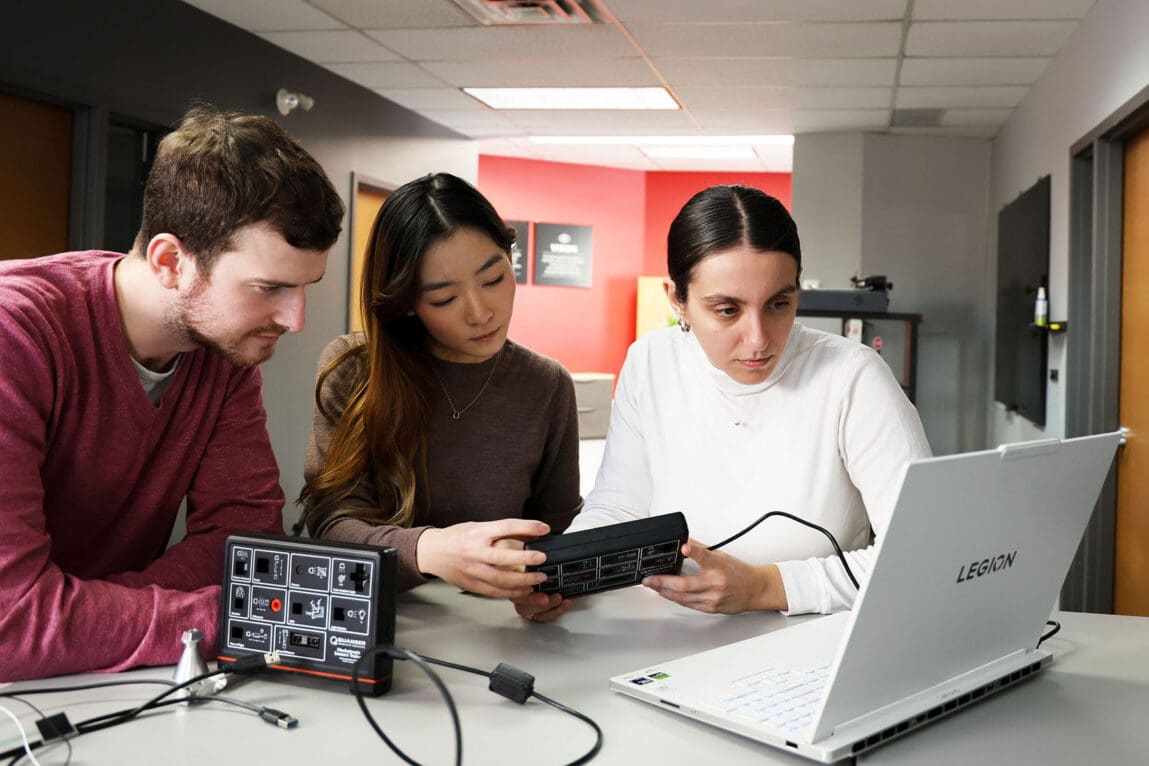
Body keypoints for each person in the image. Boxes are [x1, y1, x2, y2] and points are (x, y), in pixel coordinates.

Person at [0, 106, 345, 681]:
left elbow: (245, 540)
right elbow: (11, 622)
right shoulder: (16, 335)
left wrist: (75, 623)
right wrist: (231, 618)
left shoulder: (223, 353)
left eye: (305, 287)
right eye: (270, 288)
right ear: (169, 261)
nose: (296, 319)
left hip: (93, 681)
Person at [514, 184, 931, 622]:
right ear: (677, 300)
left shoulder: (854, 376)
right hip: (671, 636)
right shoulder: (650, 360)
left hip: (811, 642)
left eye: (779, 304)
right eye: (727, 310)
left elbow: (921, 556)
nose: (758, 339)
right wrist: (557, 578)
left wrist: (766, 587)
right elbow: (620, 506)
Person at [300, 172, 582, 598]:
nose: (480, 312)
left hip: (501, 628)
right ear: (407, 305)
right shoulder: (354, 372)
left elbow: (561, 531)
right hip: (384, 623)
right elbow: (329, 528)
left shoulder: (547, 385)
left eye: (493, 280)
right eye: (443, 299)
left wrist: (550, 590)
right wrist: (428, 551)